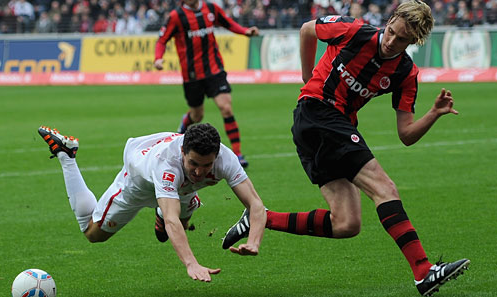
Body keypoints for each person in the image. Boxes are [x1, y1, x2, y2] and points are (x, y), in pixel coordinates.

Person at [221, 1, 469, 296]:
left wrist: (433, 114)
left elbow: (406, 134)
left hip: (330, 128)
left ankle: (261, 217)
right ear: (387, 21)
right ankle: (424, 271)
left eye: (401, 39)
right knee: (385, 188)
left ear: (414, 41)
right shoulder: (354, 30)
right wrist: (306, 75)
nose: (391, 42)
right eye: (391, 32)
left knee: (347, 223)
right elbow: (307, 30)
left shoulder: (406, 73)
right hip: (317, 112)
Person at [38, 123, 266, 282]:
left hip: (181, 189)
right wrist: (191, 263)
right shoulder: (167, 165)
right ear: (183, 152)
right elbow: (171, 219)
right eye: (193, 163)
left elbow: (255, 204)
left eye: (207, 165)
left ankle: (170, 201)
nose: (199, 171)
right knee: (93, 235)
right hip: (138, 182)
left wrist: (254, 241)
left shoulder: (226, 159)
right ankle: (66, 155)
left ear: (216, 155)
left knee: (173, 227)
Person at [154, 0, 259, 168]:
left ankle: (238, 154)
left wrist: (245, 31)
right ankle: (185, 122)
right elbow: (162, 40)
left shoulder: (211, 9)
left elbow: (228, 23)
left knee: (226, 108)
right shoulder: (176, 16)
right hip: (192, 75)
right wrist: (158, 58)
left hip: (214, 70)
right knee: (197, 116)